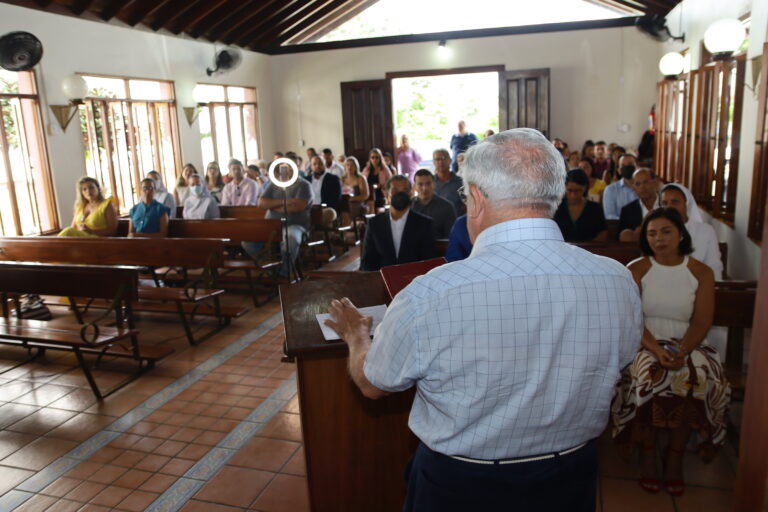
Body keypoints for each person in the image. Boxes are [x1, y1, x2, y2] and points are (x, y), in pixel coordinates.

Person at [325, 128, 642, 512]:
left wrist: (356, 336)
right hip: (570, 477)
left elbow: (375, 383)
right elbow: (621, 362)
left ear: (475, 199)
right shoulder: (616, 279)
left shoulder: (431, 294)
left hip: (462, 485)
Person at [612, 208, 730, 497]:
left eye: (666, 231)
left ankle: (675, 457)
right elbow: (633, 319)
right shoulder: (637, 269)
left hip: (688, 339)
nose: (659, 239)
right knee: (651, 376)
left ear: (681, 234)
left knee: (695, 377)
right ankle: (649, 455)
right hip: (645, 340)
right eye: (651, 233)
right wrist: (656, 349)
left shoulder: (700, 272)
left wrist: (682, 350)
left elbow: (702, 320)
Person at [359, 175, 437, 272]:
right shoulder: (374, 224)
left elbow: (429, 262)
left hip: (414, 281)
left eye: (404, 190)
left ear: (411, 194)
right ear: (386, 194)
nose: (400, 194)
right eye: (395, 191)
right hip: (382, 281)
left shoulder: (425, 224)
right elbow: (368, 261)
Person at [256, 162, 313, 277]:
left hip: (294, 225)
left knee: (291, 239)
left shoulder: (303, 185)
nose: (286, 171)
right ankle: (270, 270)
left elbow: (297, 207)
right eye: (284, 169)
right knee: (248, 242)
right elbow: (261, 203)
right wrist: (285, 202)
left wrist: (272, 206)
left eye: (290, 169)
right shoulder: (274, 184)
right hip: (271, 226)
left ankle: (283, 274)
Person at [660, 183, 723, 280]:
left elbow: (713, 266)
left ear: (687, 203)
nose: (669, 207)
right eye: (664, 203)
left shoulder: (706, 231)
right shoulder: (656, 231)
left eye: (675, 202)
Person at [553, 169, 608, 241]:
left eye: (578, 191)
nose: (573, 195)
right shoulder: (556, 207)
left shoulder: (595, 208)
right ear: (564, 188)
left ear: (585, 188)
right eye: (570, 190)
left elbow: (603, 232)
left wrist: (591, 246)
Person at [411, 169, 457, 239]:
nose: (424, 188)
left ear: (434, 185)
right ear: (414, 187)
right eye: (420, 184)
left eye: (428, 184)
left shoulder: (447, 207)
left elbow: (451, 238)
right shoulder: (408, 206)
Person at [617, 168, 659, 241]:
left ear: (655, 183)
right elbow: (621, 239)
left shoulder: (666, 204)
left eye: (646, 182)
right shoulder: (627, 210)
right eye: (638, 184)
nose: (642, 187)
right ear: (633, 188)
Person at [602, 154, 640, 220]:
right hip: (621, 228)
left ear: (637, 167)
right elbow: (610, 215)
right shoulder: (610, 190)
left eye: (630, 164)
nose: (627, 167)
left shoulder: (645, 187)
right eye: (623, 166)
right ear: (619, 171)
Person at [307, 155, 342, 224]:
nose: (317, 166)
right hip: (309, 209)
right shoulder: (306, 180)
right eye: (314, 164)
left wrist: (322, 207)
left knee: (330, 213)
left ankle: (320, 232)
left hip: (325, 209)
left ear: (325, 164)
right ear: (311, 166)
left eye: (320, 163)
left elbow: (336, 198)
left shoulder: (333, 179)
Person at [432, 149, 464, 214]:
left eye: (443, 158)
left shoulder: (460, 182)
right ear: (433, 162)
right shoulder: (430, 183)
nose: (441, 162)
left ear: (450, 160)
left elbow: (466, 205)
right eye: (437, 159)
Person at [341, 156, 369, 226]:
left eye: (352, 165)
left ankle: (345, 229)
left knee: (347, 209)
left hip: (357, 203)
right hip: (344, 203)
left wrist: (351, 199)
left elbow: (365, 195)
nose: (350, 167)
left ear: (356, 167)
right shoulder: (342, 179)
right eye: (347, 165)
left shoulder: (361, 178)